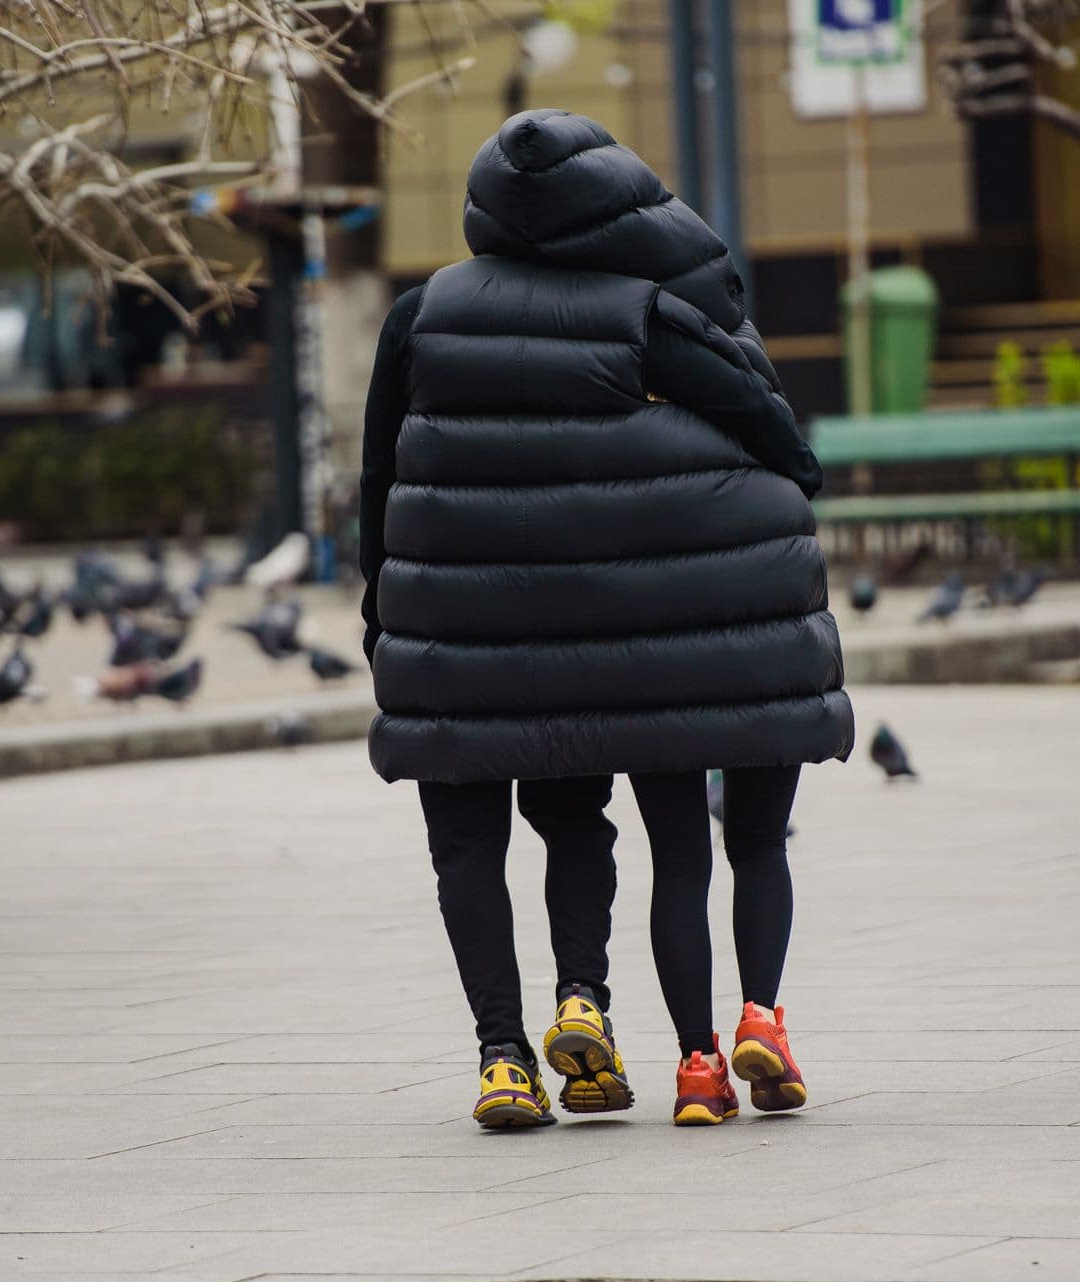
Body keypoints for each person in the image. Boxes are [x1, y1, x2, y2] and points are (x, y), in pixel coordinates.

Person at [360, 109, 854, 1130]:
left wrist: (384, 614)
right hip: (578, 640)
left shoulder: (421, 313)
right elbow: (759, 416)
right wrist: (788, 475)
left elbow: (377, 478)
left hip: (445, 632)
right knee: (573, 821)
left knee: (463, 851)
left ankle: (501, 1056)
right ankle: (583, 1000)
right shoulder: (638, 307)